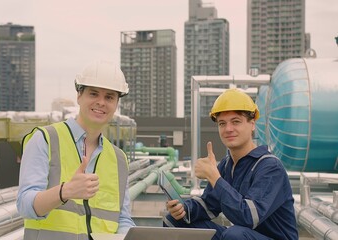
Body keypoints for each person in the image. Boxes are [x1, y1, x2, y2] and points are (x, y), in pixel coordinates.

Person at [17, 60, 136, 240]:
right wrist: (65, 191)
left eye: (109, 97)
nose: (101, 102)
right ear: (79, 96)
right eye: (93, 93)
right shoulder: (45, 139)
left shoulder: (118, 159)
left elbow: (123, 218)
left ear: (117, 103)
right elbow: (25, 205)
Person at [163, 88, 298, 240]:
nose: (228, 129)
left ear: (252, 124)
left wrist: (214, 177)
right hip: (241, 236)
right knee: (174, 221)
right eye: (222, 123)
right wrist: (184, 209)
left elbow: (248, 217)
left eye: (236, 122)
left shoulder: (270, 167)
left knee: (234, 235)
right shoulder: (227, 165)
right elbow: (209, 205)